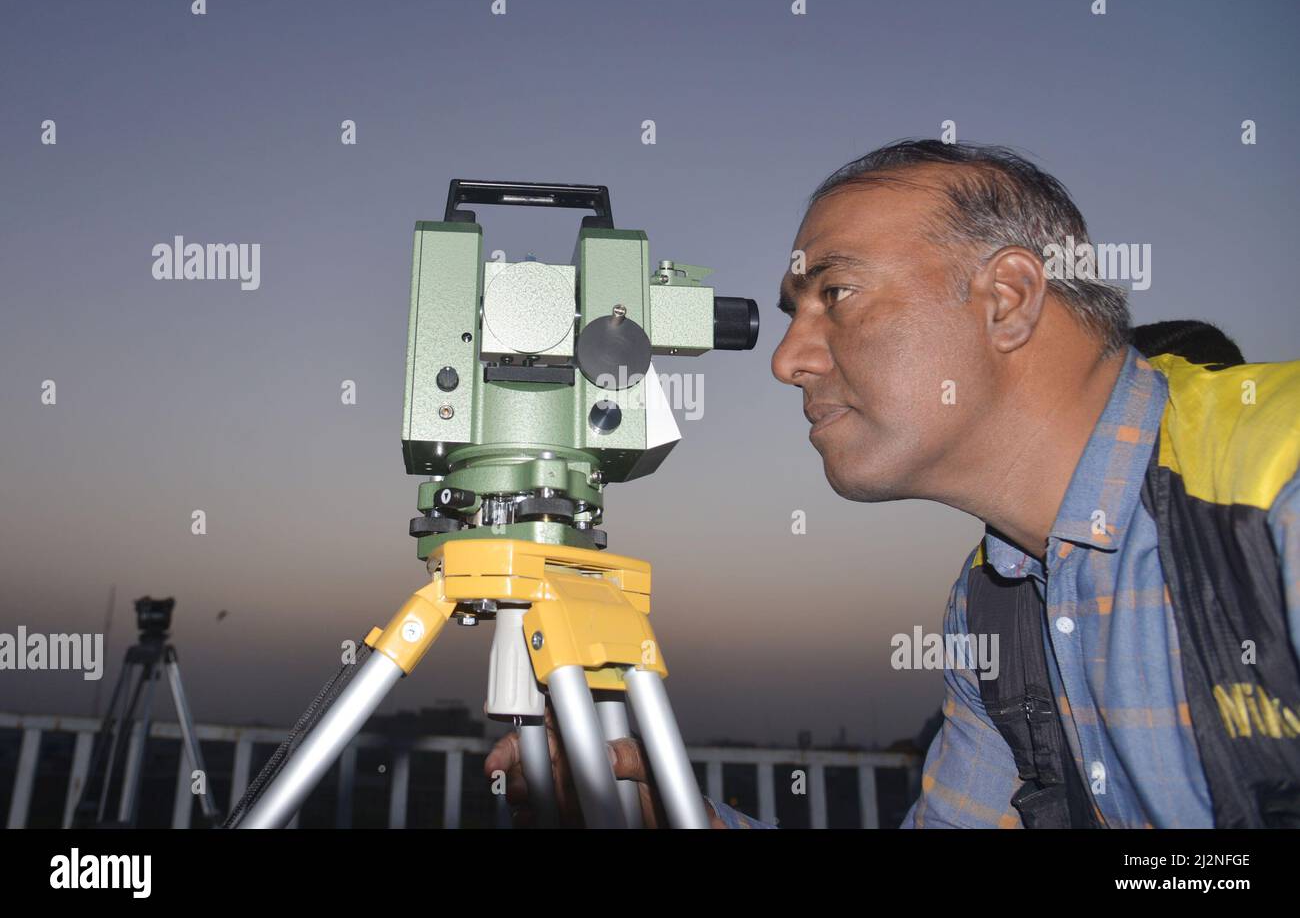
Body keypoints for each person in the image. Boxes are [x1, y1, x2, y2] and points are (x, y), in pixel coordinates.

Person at [485, 140, 1300, 828]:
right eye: (794, 309)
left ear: (1008, 298)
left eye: (834, 293)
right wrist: (669, 816)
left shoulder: (1274, 491)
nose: (786, 359)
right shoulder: (999, 598)